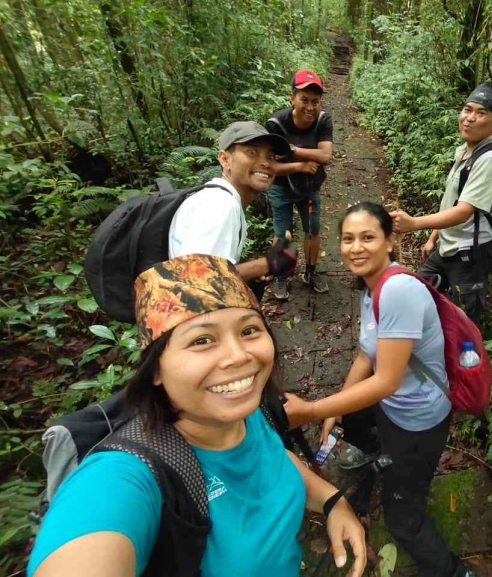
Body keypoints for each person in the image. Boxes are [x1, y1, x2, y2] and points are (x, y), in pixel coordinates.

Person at [28, 254, 366, 577]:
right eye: (202, 340)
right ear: (155, 370)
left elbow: (275, 459)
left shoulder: (249, 411)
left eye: (249, 330)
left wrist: (332, 500)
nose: (239, 356)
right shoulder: (124, 477)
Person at [283, 203, 471, 577]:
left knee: (403, 519)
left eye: (368, 237)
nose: (356, 247)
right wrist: (335, 410)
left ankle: (454, 571)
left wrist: (312, 410)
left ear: (390, 242)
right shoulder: (372, 285)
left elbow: (386, 380)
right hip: (393, 406)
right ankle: (373, 459)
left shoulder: (397, 290)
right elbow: (367, 357)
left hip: (417, 422)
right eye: (348, 239)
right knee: (350, 415)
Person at [389, 81, 492, 325]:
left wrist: (414, 224)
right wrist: (434, 237)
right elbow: (451, 202)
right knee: (418, 291)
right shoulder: (466, 152)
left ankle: (464, 360)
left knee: (463, 321)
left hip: (470, 253)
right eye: (467, 109)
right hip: (448, 246)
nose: (469, 118)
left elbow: (464, 211)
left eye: (481, 112)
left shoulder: (490, 160)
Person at [168, 121, 298, 300]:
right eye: (252, 152)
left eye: (271, 156)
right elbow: (197, 283)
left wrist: (247, 275)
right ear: (224, 159)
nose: (266, 163)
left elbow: (211, 270)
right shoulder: (219, 206)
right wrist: (267, 264)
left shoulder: (216, 198)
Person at [266, 69, 333, 299]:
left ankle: (311, 272)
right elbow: (269, 167)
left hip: (310, 189)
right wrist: (300, 165)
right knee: (282, 234)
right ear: (292, 97)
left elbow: (325, 156)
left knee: (312, 231)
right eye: (304, 99)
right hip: (281, 189)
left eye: (315, 101)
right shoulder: (276, 124)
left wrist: (292, 150)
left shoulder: (323, 121)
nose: (310, 107)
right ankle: (281, 277)